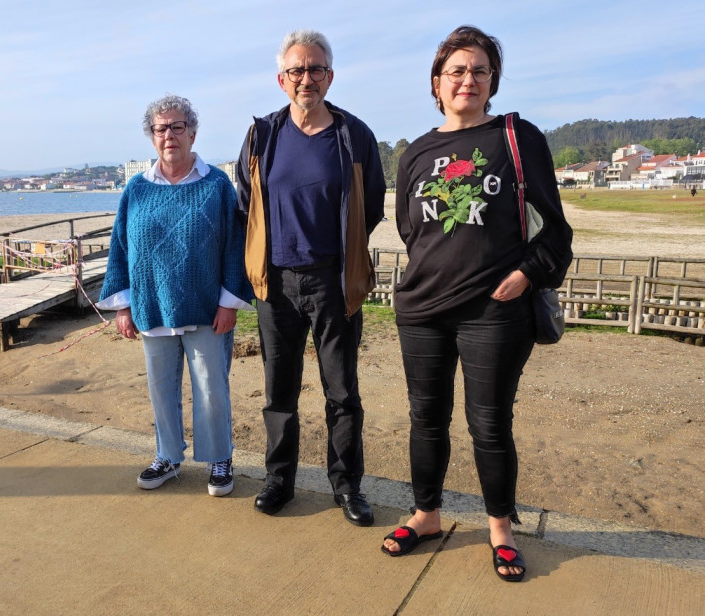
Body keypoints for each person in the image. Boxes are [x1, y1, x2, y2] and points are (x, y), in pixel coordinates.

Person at [382, 26, 573, 581]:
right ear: (436, 83)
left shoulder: (516, 137)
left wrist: (522, 276)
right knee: (426, 419)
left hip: (494, 310)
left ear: (493, 82)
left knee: (489, 424)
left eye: (480, 70)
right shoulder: (415, 152)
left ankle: (500, 530)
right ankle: (426, 515)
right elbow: (411, 230)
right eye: (457, 71)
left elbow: (555, 234)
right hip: (422, 310)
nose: (468, 79)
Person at [236, 30, 386, 526]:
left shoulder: (354, 135)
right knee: (279, 389)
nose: (307, 78)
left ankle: (347, 486)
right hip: (275, 283)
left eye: (316, 69)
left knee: (342, 391)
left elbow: (372, 204)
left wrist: (338, 253)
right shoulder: (262, 134)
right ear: (282, 80)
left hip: (333, 282)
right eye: (297, 70)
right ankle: (280, 479)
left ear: (330, 76)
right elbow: (246, 199)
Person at [98, 94, 253, 497]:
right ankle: (168, 455)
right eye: (161, 128)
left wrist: (228, 303)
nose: (170, 135)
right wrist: (123, 306)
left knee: (211, 388)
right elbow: (121, 248)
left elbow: (235, 246)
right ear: (152, 138)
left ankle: (220, 456)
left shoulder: (217, 185)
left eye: (178, 126)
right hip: (152, 307)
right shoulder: (136, 189)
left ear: (192, 133)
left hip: (206, 307)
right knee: (161, 389)